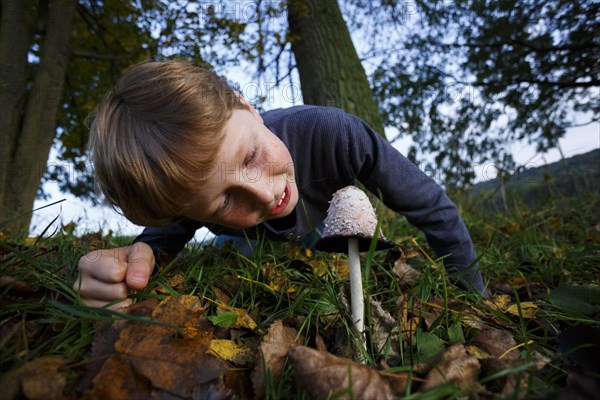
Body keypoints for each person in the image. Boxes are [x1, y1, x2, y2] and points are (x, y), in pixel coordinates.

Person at [74, 60, 487, 309]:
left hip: (326, 227)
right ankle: (229, 238)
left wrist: (473, 296)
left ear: (246, 106)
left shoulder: (334, 134)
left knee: (348, 243)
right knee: (233, 249)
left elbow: (429, 205)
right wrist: (128, 267)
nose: (264, 193)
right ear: (186, 210)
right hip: (250, 244)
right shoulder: (182, 199)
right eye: (223, 202)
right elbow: (154, 245)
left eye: (250, 156)